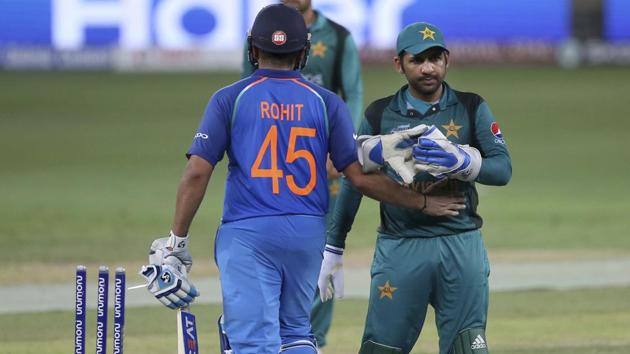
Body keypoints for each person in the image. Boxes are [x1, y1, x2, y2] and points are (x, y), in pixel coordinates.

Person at [143, 8, 465, 354]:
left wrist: (176, 242)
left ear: (253, 50)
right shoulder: (327, 103)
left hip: (248, 233)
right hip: (307, 233)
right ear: (304, 51)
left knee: (253, 342)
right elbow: (358, 177)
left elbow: (197, 172)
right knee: (295, 332)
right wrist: (421, 202)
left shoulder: (229, 98)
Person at [319, 22, 512, 354]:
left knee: (468, 348)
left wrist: (466, 163)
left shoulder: (470, 107)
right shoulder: (380, 114)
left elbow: (503, 169)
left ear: (447, 60)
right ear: (399, 64)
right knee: (381, 349)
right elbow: (356, 178)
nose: (428, 68)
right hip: (400, 249)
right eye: (417, 60)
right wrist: (334, 245)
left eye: (435, 58)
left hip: (461, 246)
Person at [242, 1, 363, 351]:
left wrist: (341, 148)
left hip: (324, 164)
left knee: (322, 255)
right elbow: (245, 91)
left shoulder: (339, 37)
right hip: (275, 160)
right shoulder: (260, 33)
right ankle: (273, 338)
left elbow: (352, 95)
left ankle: (314, 342)